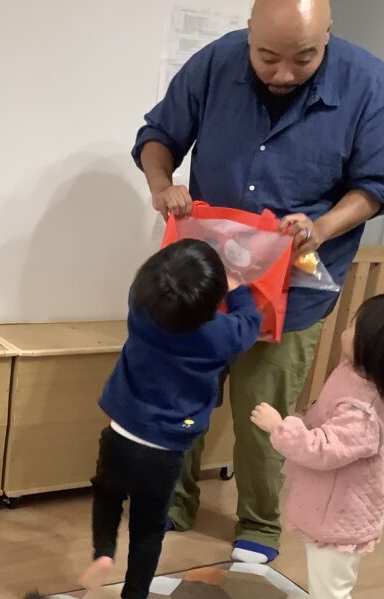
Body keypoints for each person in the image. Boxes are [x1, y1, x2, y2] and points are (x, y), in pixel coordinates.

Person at [132, 0, 384, 563]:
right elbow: (157, 136)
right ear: (248, 35)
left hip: (296, 284)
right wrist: (163, 184)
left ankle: (259, 523)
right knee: (184, 395)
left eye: (303, 59)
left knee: (265, 410)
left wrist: (322, 227)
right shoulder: (216, 63)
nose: (283, 73)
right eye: (267, 57)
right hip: (205, 277)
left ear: (327, 36)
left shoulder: (367, 81)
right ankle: (174, 502)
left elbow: (379, 183)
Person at [79, 239, 262, 598]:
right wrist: (238, 289)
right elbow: (250, 324)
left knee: (107, 493)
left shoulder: (140, 310)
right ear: (213, 302)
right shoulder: (218, 335)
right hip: (165, 449)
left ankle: (103, 552)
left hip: (121, 430)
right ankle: (134, 594)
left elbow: (147, 285)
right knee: (148, 530)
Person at [251, 293, 384, 598]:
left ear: (375, 350)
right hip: (333, 497)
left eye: (354, 327)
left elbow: (322, 449)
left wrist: (279, 427)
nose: (346, 329)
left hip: (341, 511)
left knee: (330, 587)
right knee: (324, 578)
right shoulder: (370, 371)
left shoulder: (362, 412)